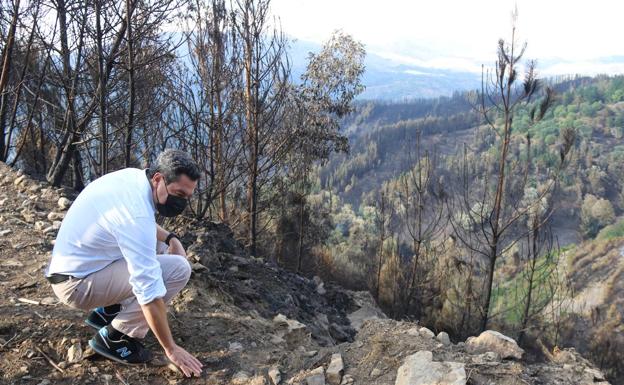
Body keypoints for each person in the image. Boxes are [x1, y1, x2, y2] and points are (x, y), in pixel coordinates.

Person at [44, 149, 203, 377]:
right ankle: (117, 337)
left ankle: (109, 309)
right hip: (76, 285)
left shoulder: (134, 179)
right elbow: (148, 291)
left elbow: (137, 224)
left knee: (159, 247)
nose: (181, 202)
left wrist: (171, 238)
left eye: (187, 197)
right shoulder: (136, 215)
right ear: (158, 178)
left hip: (78, 266)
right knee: (178, 269)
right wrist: (171, 348)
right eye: (178, 193)